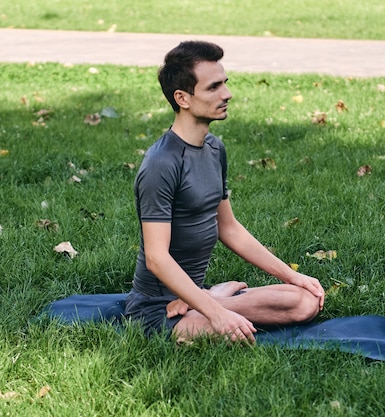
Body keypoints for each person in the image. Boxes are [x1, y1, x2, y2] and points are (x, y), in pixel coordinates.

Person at [124, 40, 324, 344]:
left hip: (193, 298)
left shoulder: (215, 149)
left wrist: (291, 275)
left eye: (225, 84)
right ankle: (209, 302)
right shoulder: (161, 163)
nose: (227, 94)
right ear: (183, 98)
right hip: (156, 309)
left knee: (305, 300)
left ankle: (205, 299)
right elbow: (156, 258)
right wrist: (218, 315)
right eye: (214, 87)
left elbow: (228, 228)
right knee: (228, 332)